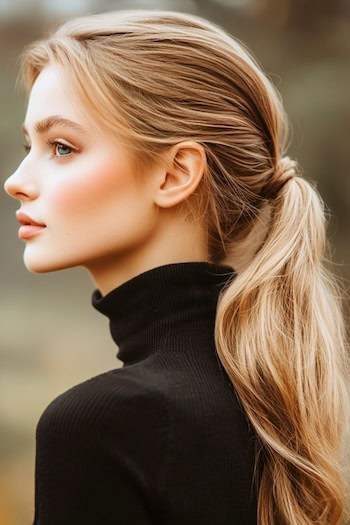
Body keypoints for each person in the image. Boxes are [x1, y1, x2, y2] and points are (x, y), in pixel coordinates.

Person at [3, 9, 350, 525]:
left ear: (174, 175)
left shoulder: (105, 423)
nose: (16, 181)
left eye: (62, 147)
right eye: (28, 147)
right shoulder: (272, 409)